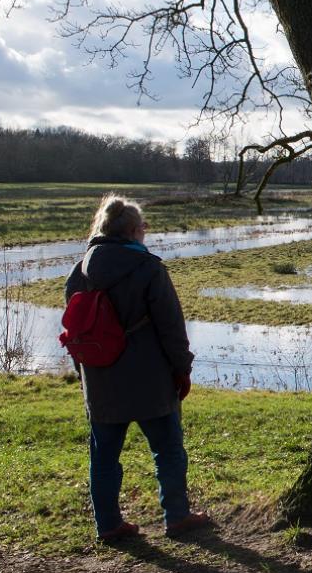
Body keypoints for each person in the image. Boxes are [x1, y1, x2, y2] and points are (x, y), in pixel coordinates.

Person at [65, 194, 211, 543]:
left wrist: (82, 373)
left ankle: (109, 525)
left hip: (100, 378)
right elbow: (171, 327)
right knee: (168, 450)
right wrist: (183, 369)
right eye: (144, 226)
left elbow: (75, 328)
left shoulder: (81, 270)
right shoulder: (148, 268)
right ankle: (177, 517)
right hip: (150, 378)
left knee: (103, 458)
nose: (146, 232)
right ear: (132, 230)